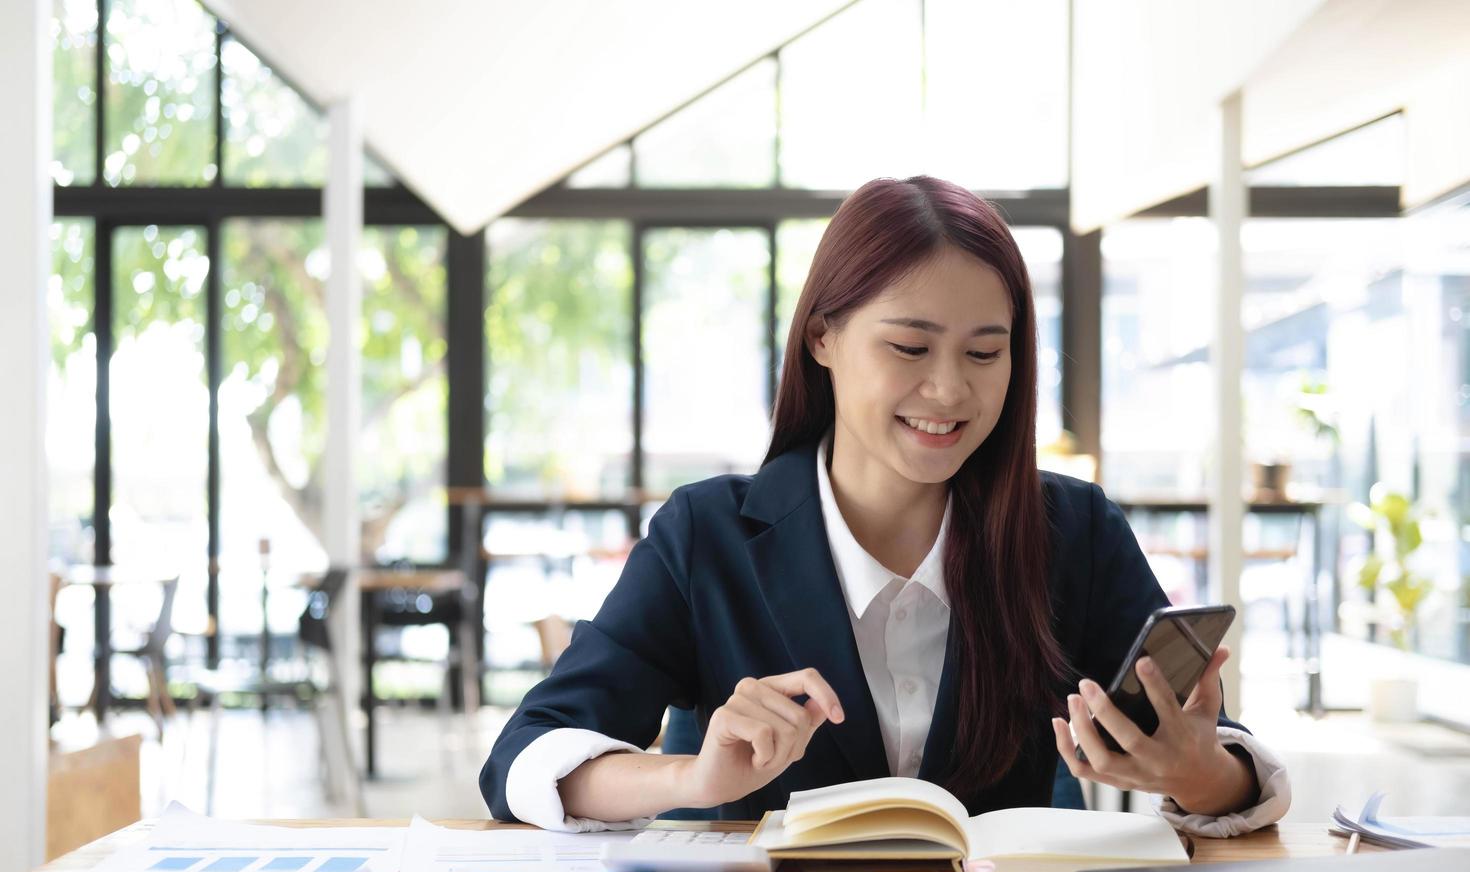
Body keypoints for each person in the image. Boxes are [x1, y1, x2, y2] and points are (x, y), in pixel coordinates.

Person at [479, 175, 1290, 836]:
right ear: (823, 338)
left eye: (985, 352)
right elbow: (529, 756)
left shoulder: (1071, 534)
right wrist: (691, 776)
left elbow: (1229, 767)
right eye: (909, 347)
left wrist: (1196, 774)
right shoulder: (708, 535)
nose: (949, 390)